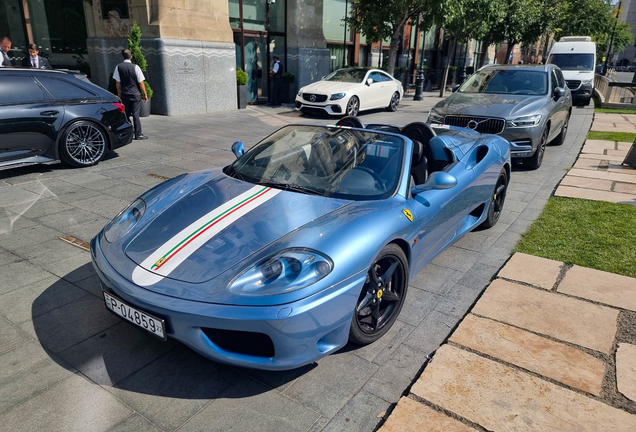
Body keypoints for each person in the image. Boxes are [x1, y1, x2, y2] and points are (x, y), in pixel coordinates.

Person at [113, 49, 148, 140]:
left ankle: (127, 132)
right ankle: (138, 134)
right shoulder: (136, 67)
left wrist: (119, 92)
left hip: (125, 94)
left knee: (126, 114)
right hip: (135, 94)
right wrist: (145, 94)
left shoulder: (118, 67)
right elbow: (141, 82)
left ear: (122, 57)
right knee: (136, 114)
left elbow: (117, 82)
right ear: (131, 57)